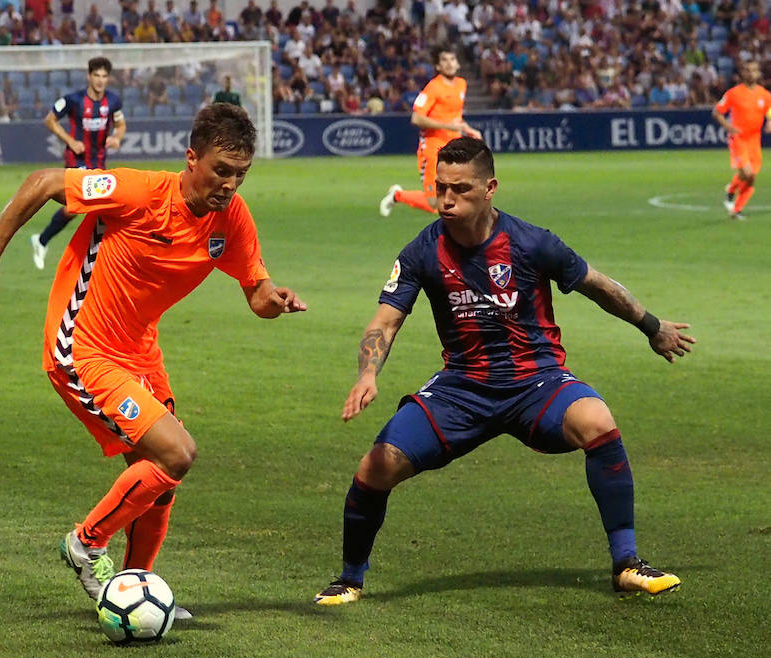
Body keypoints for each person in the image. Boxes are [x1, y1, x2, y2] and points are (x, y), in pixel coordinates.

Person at [0, 103, 307, 614]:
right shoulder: (139, 192)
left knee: (157, 483)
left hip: (140, 352)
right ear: (192, 159)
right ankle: (86, 542)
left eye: (241, 175)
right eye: (221, 171)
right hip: (83, 347)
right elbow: (43, 181)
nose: (231, 184)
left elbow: (256, 292)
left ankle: (133, 589)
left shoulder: (231, 218)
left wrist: (274, 301)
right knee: (175, 454)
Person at [314, 137, 693, 606]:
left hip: (537, 382)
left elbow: (596, 284)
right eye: (440, 188)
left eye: (461, 189)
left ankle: (627, 564)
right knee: (377, 466)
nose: (446, 200)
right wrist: (368, 374)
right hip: (462, 390)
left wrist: (652, 326)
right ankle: (350, 579)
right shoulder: (421, 251)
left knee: (598, 422)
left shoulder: (532, 242)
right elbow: (385, 321)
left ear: (490, 188)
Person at [30, 56, 126, 270]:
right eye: (96, 75)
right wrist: (70, 141)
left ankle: (42, 240)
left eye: (104, 76)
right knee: (89, 205)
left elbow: (120, 125)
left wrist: (117, 138)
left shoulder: (113, 101)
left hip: (99, 161)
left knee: (77, 208)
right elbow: (50, 119)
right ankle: (93, 258)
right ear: (89, 76)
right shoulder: (74, 100)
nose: (100, 80)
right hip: (77, 161)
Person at [379, 46, 482, 217]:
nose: (449, 64)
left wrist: (468, 129)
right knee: (435, 204)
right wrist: (448, 126)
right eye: (444, 60)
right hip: (433, 148)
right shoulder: (433, 88)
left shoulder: (461, 85)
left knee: (457, 196)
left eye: (452, 59)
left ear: (457, 64)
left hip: (455, 148)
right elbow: (416, 118)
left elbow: (454, 117)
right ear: (438, 67)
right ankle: (397, 195)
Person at [713, 60, 771, 220]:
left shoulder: (764, 95)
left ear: (758, 73)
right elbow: (716, 112)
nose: (750, 73)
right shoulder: (733, 93)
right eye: (747, 70)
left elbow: (769, 111)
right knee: (747, 172)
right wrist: (729, 127)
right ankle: (733, 198)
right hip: (738, 138)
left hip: (754, 140)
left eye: (754, 70)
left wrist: (770, 122)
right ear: (742, 73)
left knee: (751, 177)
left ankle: (735, 204)